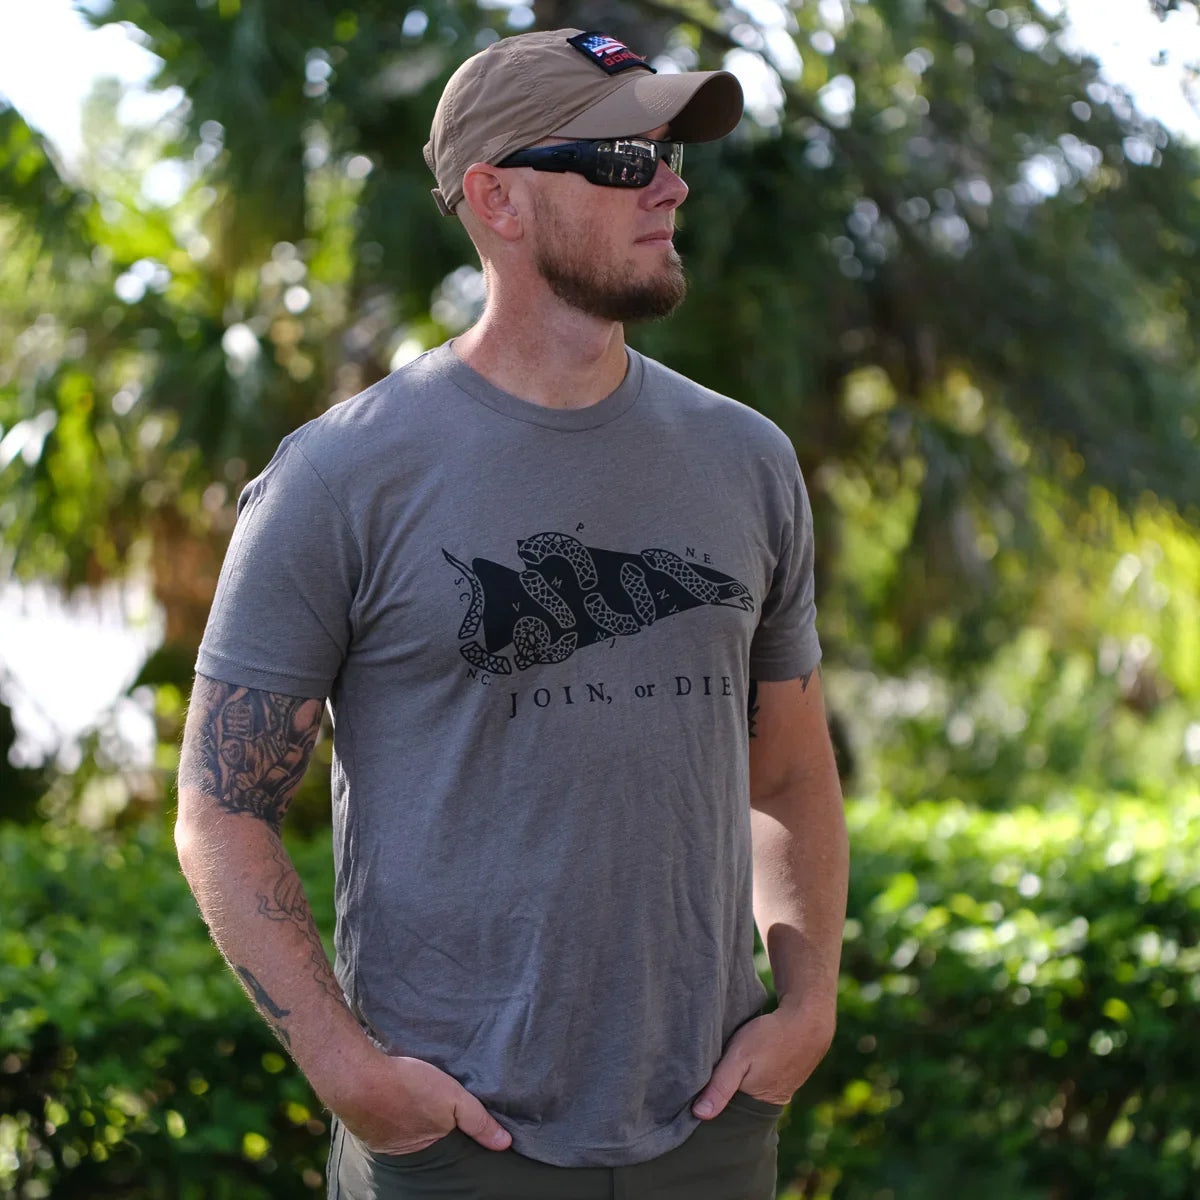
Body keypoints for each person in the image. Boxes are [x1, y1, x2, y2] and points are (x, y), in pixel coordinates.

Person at [176, 26, 848, 1200]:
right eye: (626, 159)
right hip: (455, 1147)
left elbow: (787, 772)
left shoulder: (748, 459)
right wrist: (353, 1077)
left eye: (670, 153)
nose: (673, 183)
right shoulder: (341, 478)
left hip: (711, 1134)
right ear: (498, 199)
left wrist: (807, 1010)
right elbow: (221, 808)